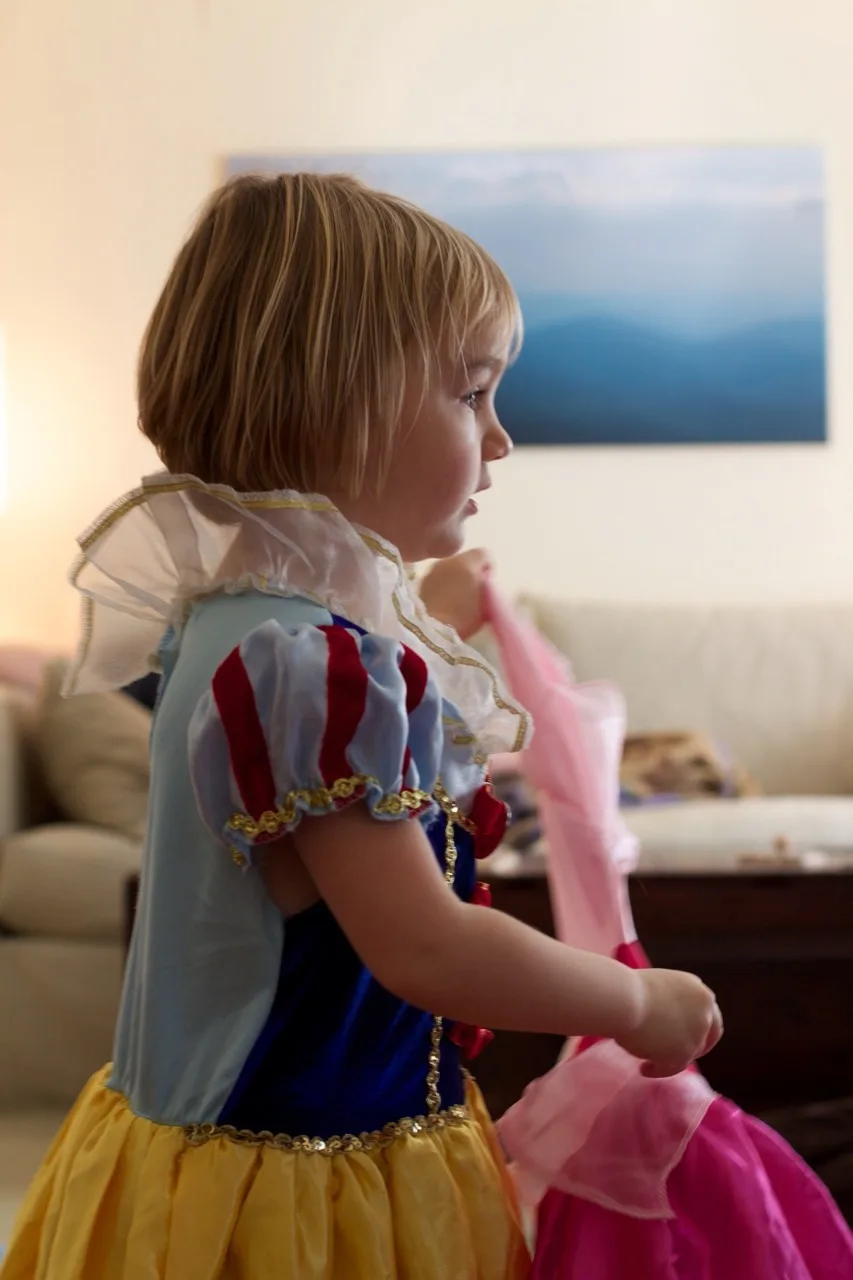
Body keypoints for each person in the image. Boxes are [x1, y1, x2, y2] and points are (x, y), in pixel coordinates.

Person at [1, 173, 721, 1280]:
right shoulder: (313, 669)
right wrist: (633, 999)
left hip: (223, 1154)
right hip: (295, 1193)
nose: (502, 437)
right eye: (470, 392)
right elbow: (425, 943)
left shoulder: (244, 626)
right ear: (335, 399)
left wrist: (430, 616)